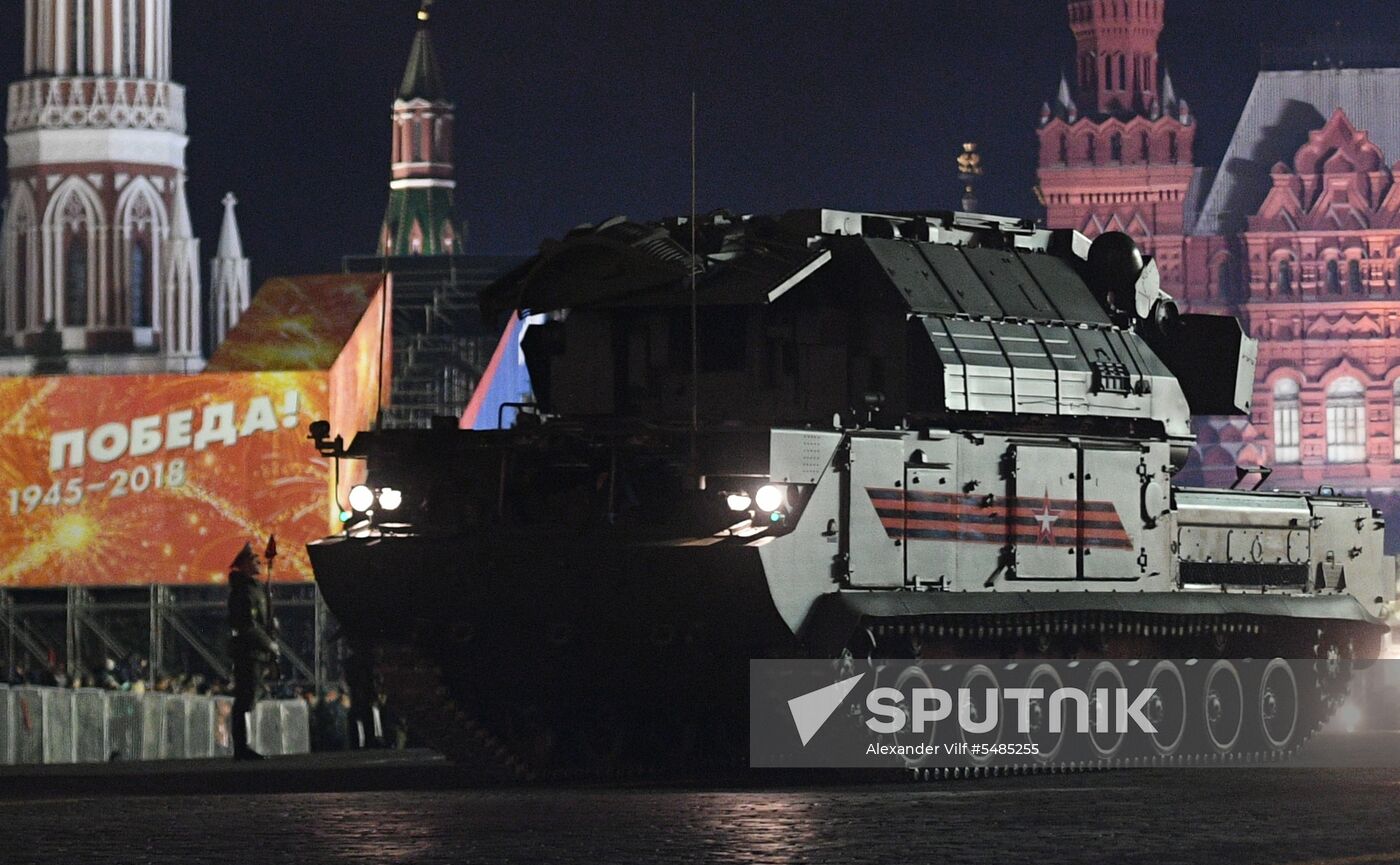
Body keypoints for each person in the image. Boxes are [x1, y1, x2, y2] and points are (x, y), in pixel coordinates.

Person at [227, 541, 278, 760]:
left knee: (250, 697)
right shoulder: (243, 591)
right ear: (245, 564)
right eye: (254, 560)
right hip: (249, 651)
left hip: (256, 652)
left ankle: (245, 745)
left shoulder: (254, 589)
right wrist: (268, 643)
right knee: (245, 699)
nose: (259, 563)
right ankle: (242, 746)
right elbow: (247, 624)